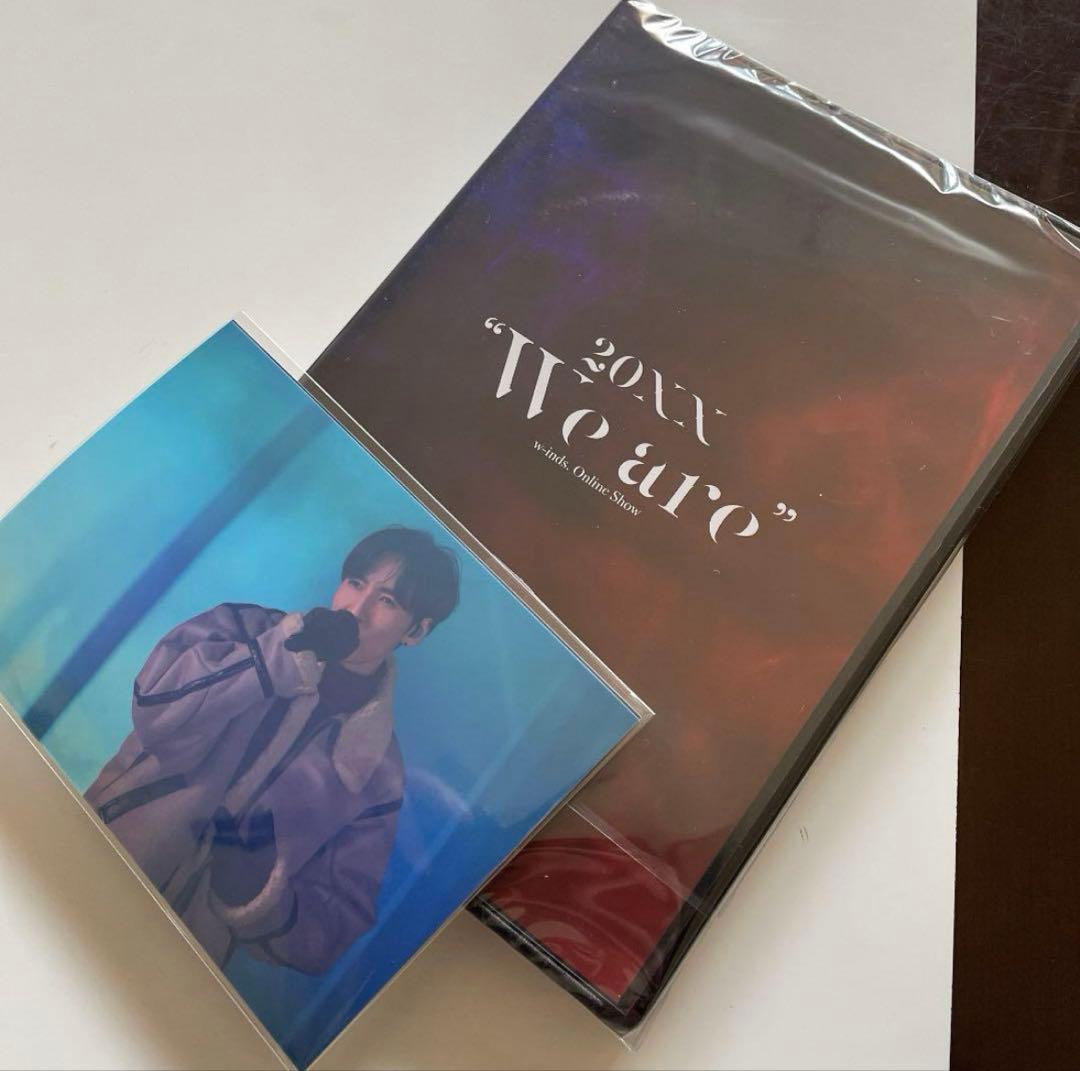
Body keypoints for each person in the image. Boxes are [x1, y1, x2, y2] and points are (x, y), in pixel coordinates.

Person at [85, 526, 459, 974]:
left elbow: (333, 928)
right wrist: (275, 657)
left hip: (171, 962)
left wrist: (256, 896)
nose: (356, 609)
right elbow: (154, 705)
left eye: (388, 601)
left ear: (416, 631)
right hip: (89, 860)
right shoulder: (246, 629)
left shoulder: (379, 771)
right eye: (355, 583)